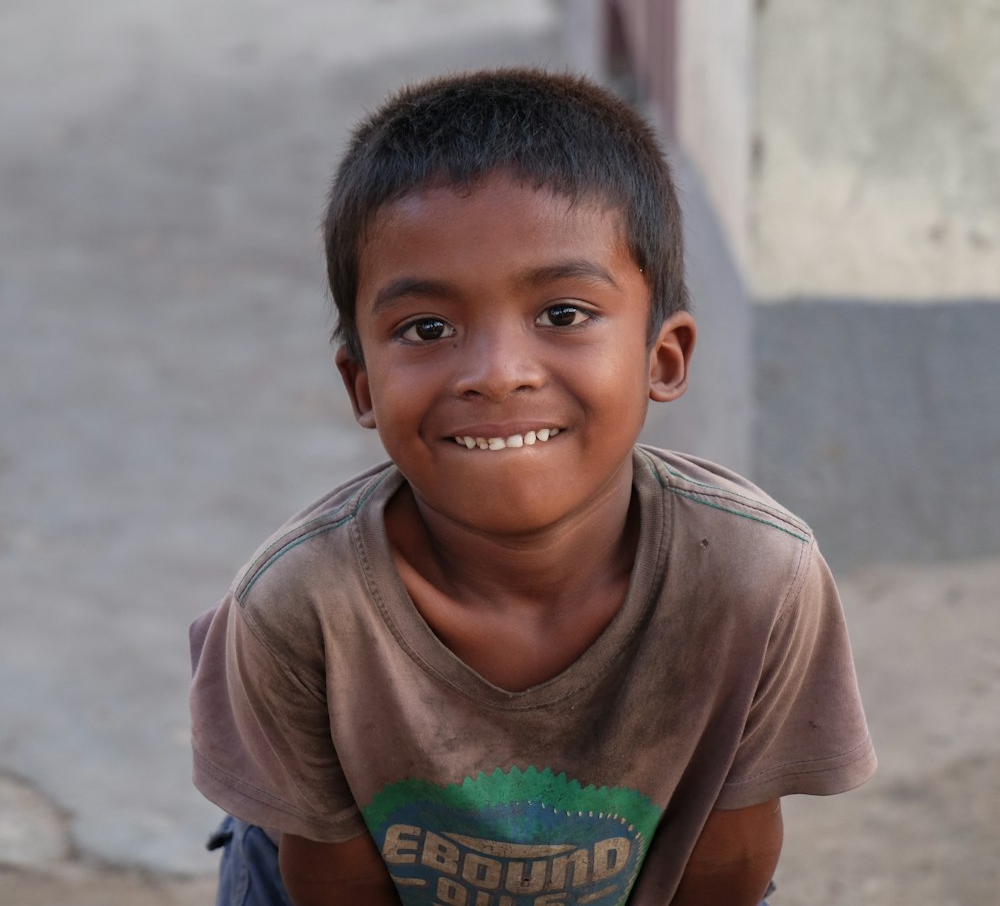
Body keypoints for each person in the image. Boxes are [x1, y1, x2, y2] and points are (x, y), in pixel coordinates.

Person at [189, 68, 876, 905]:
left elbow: (725, 875)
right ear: (362, 383)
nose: (498, 374)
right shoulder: (299, 605)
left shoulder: (755, 578)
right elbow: (334, 889)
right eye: (427, 328)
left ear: (665, 358)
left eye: (563, 314)